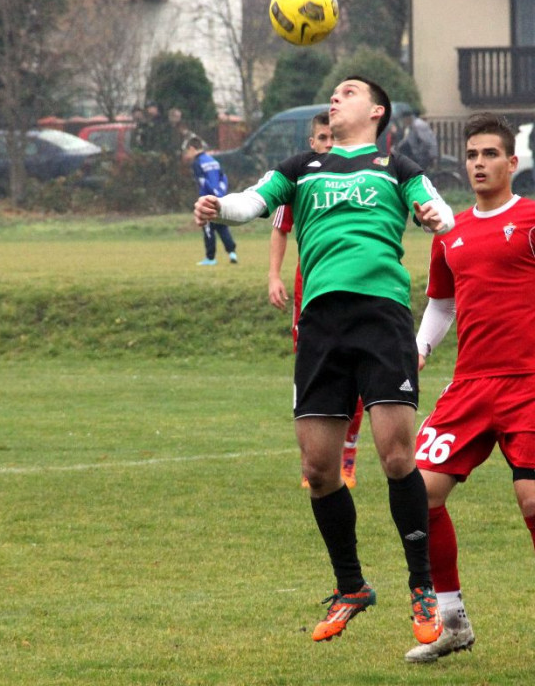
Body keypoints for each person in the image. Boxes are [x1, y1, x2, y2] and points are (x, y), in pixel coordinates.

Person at [193, 76, 455, 647]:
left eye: (350, 92)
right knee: (317, 470)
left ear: (377, 111)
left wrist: (435, 218)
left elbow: (441, 211)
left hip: (381, 318)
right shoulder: (301, 168)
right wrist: (219, 206)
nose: (335, 99)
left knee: (395, 455)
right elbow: (252, 201)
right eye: (333, 94)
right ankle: (352, 586)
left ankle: (422, 587)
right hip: (321, 326)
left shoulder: (397, 169)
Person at [406, 112, 535, 669]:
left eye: (490, 154)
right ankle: (453, 622)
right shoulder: (451, 231)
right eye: (471, 155)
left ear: (513, 162)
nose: (479, 164)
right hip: (469, 385)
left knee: (534, 498)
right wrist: (420, 349)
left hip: (530, 384)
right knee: (423, 494)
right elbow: (442, 304)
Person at [267, 111, 360, 489]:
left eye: (333, 138)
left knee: (354, 372)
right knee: (311, 373)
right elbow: (280, 229)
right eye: (323, 138)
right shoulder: (301, 179)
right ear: (312, 143)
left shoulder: (358, 179)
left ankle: (348, 460)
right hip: (310, 294)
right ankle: (316, 460)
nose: (328, 145)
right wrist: (274, 275)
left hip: (355, 291)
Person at [183, 135, 237, 266]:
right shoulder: (213, 160)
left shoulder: (197, 163)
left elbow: (204, 182)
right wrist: (220, 192)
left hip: (207, 199)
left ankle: (210, 258)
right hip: (219, 198)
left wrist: (211, 193)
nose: (186, 154)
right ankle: (232, 253)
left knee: (207, 228)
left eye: (186, 151)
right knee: (222, 226)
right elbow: (223, 177)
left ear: (191, 148)